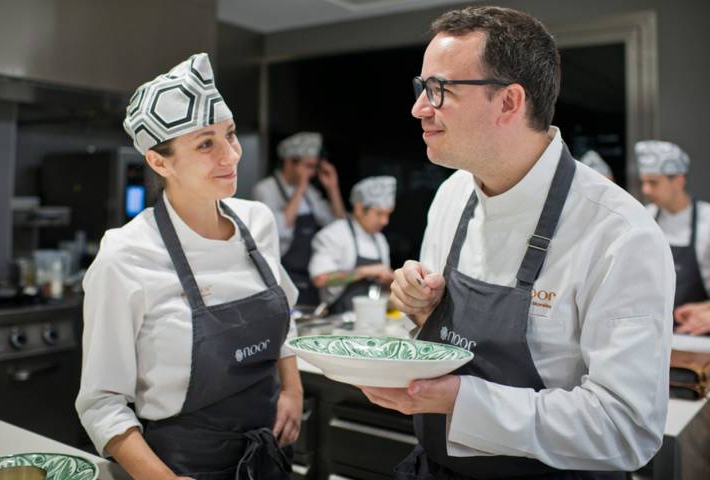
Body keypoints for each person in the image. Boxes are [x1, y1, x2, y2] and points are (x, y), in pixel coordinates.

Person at [358, 6, 674, 479]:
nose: (419, 108)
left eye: (439, 90)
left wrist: (464, 401)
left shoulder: (619, 235)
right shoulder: (452, 195)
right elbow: (445, 342)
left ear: (509, 102)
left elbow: (625, 429)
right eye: (421, 88)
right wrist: (421, 309)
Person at [76, 53, 302, 480]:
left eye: (230, 134)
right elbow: (100, 403)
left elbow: (285, 312)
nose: (231, 155)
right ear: (160, 162)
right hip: (180, 465)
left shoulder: (258, 223)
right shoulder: (125, 255)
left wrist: (292, 388)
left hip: (268, 457)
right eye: (205, 143)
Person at [253, 132, 345, 306]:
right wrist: (301, 188)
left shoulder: (311, 193)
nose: (311, 173)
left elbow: (338, 225)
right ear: (289, 162)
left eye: (314, 167)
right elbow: (280, 229)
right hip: (283, 276)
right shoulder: (266, 189)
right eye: (307, 166)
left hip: (310, 278)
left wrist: (333, 188)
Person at [636, 140, 710, 319]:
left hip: (695, 338)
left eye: (653, 183)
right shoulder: (643, 218)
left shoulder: (707, 222)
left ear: (678, 181)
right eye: (643, 182)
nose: (645, 190)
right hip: (649, 334)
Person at [309, 176, 396, 313]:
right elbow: (320, 279)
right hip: (337, 319)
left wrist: (389, 279)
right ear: (359, 209)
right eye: (379, 214)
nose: (385, 221)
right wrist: (366, 271)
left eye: (388, 214)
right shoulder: (334, 234)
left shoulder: (380, 240)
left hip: (372, 316)